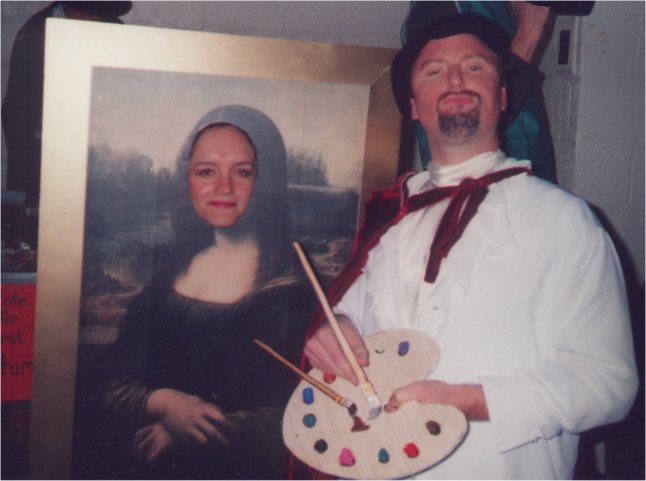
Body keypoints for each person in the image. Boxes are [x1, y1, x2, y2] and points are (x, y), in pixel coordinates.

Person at [304, 13, 638, 479]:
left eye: (475, 66)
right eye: (434, 70)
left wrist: (468, 400)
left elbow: (609, 385)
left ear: (502, 97)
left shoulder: (566, 222)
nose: (456, 79)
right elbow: (351, 319)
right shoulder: (391, 222)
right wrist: (336, 327)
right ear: (413, 107)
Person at [86, 105, 314, 479]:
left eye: (242, 172)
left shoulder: (291, 289)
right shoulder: (170, 275)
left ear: (266, 181)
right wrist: (164, 403)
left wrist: (194, 432)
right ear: (187, 179)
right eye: (206, 171)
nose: (223, 188)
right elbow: (110, 382)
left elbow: (301, 412)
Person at [2, 1, 132, 249]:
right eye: (88, 13)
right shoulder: (35, 34)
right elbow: (18, 116)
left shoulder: (114, 29)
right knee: (46, 238)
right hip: (47, 157)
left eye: (99, 14)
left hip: (97, 151)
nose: (94, 21)